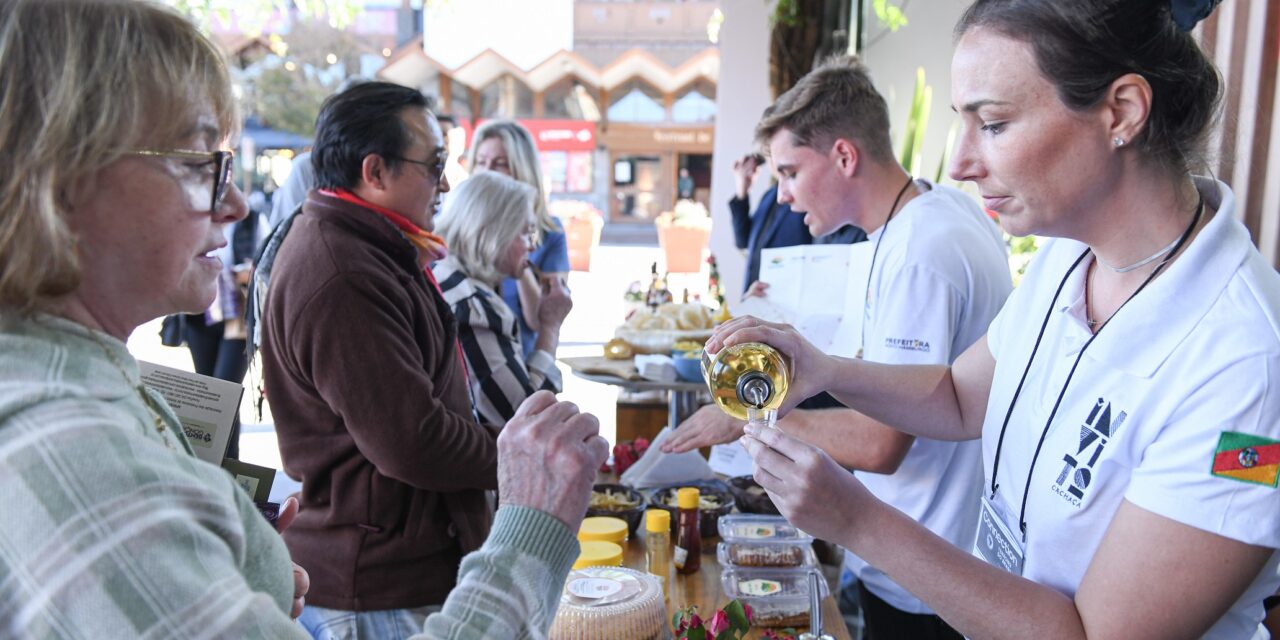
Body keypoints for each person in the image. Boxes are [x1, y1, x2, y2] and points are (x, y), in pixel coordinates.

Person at [0, 3, 610, 638]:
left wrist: (236, 565)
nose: (235, 204)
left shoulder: (87, 391)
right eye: (197, 162)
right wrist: (527, 522)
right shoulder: (74, 449)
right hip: (381, 581)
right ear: (59, 180)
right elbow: (410, 439)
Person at [720, 1, 1280, 638]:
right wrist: (821, 369)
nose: (958, 164)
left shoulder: (1247, 366)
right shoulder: (1069, 256)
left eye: (993, 124)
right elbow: (961, 397)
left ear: (1121, 111)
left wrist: (858, 522)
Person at [667, 54, 1012, 640]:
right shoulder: (916, 219)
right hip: (916, 560)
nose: (781, 197)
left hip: (929, 578)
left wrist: (745, 420)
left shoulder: (921, 252)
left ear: (845, 156)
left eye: (790, 173)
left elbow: (881, 442)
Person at [259, 81, 496, 635]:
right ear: (376, 172)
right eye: (434, 164)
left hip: (398, 572)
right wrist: (518, 456)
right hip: (374, 590)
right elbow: (412, 441)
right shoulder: (343, 272)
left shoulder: (372, 246)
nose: (445, 182)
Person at [432, 172, 573, 427]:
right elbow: (525, 419)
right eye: (526, 233)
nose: (532, 246)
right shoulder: (473, 305)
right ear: (493, 233)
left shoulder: (440, 273)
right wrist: (550, 327)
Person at [464, 120, 570, 360]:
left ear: (523, 169)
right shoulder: (459, 229)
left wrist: (516, 249)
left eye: (500, 164)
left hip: (523, 363)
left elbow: (539, 320)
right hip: (468, 364)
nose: (487, 171)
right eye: (480, 162)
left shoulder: (549, 232)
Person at [729, 148, 866, 294]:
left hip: (792, 296)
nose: (771, 160)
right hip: (757, 294)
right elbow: (743, 241)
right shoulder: (769, 196)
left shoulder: (804, 194)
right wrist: (742, 191)